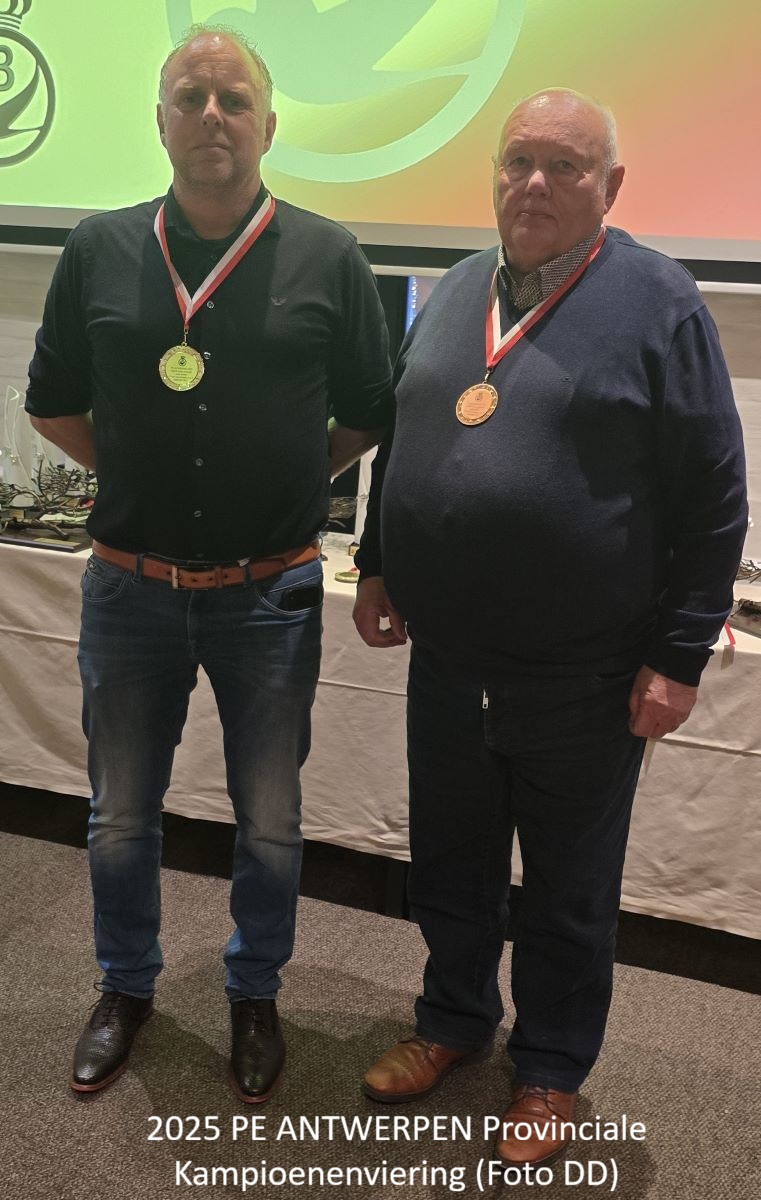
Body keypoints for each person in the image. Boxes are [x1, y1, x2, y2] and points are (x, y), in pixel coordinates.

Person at [353, 89, 747, 1168]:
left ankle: (551, 1070)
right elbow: (405, 437)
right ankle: (451, 1020)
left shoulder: (658, 301)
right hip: (448, 662)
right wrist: (380, 560)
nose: (533, 183)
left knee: (568, 887)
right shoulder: (449, 291)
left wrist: (677, 655)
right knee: (450, 864)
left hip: (583, 674)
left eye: (563, 166)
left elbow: (714, 495)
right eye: (516, 160)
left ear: (608, 187)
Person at [26, 25, 392, 1102]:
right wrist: (136, 469)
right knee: (120, 817)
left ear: (269, 124)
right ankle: (125, 986)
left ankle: (254, 992)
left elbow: (368, 412)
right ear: (159, 122)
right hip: (128, 589)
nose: (213, 115)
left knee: (269, 823)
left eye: (233, 99)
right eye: (191, 97)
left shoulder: (329, 255)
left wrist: (288, 475)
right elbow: (52, 404)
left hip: (267, 594)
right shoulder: (97, 248)